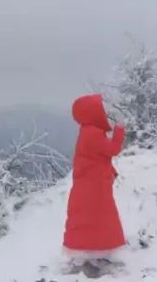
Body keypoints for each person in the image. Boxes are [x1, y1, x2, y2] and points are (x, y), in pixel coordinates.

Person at [62, 93, 127, 275]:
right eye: (100, 109)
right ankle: (92, 255)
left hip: (90, 186)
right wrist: (120, 128)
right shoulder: (92, 133)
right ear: (92, 113)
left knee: (92, 219)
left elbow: (97, 159)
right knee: (97, 219)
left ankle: (89, 254)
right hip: (93, 188)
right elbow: (113, 150)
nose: (104, 113)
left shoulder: (87, 131)